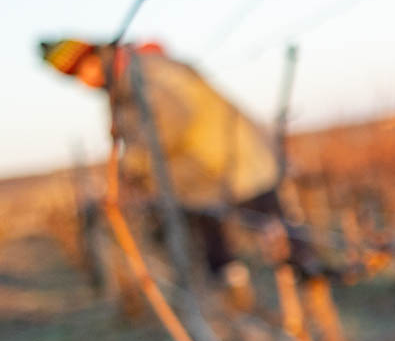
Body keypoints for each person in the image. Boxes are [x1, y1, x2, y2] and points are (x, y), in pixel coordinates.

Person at [39, 38, 319, 291]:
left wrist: (135, 165)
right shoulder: (124, 86)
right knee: (218, 233)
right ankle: (236, 290)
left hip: (224, 160)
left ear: (95, 57)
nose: (84, 81)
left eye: (82, 70)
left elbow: (171, 122)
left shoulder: (146, 73)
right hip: (203, 172)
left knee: (268, 220)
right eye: (74, 76)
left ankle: (308, 277)